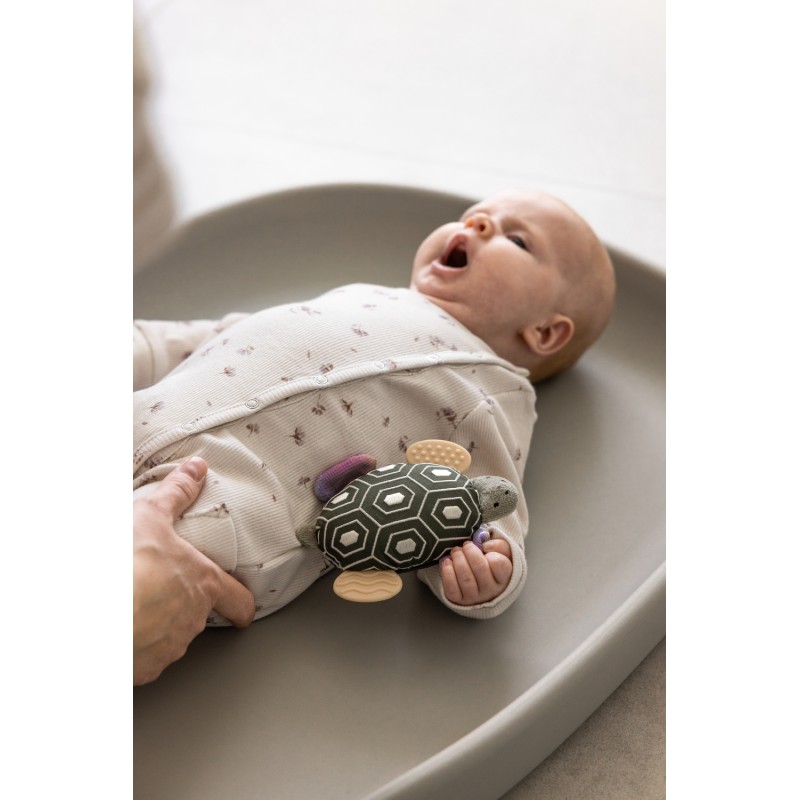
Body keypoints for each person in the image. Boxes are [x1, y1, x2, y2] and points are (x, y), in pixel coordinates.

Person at [133, 188, 615, 629]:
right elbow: (227, 335)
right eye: (473, 216)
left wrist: (488, 568)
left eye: (517, 239)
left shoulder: (496, 388)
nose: (478, 224)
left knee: (148, 569)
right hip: (148, 413)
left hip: (237, 499)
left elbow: (485, 497)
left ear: (545, 332)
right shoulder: (363, 295)